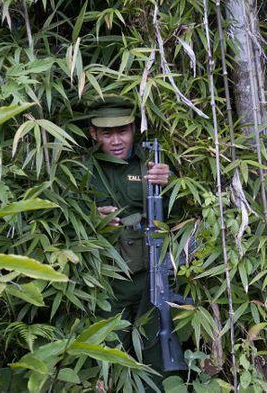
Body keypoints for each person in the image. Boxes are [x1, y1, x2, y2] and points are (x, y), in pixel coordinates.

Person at [86, 97, 181, 388]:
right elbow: (66, 221)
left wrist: (172, 183)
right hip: (109, 280)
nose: (116, 140)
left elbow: (178, 215)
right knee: (108, 357)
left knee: (159, 354)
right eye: (106, 133)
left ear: (133, 129)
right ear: (93, 134)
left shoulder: (152, 162)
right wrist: (93, 217)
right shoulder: (85, 170)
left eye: (123, 131)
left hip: (151, 271)